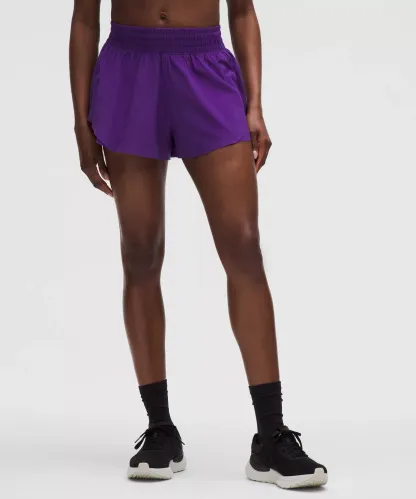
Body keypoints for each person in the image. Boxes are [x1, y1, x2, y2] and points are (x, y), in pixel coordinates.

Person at [69, 0, 328, 489]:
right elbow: (84, 18)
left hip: (205, 67)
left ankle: (271, 436)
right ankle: (160, 429)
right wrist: (81, 123)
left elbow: (243, 11)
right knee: (140, 250)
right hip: (128, 70)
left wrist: (254, 104)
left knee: (243, 245)